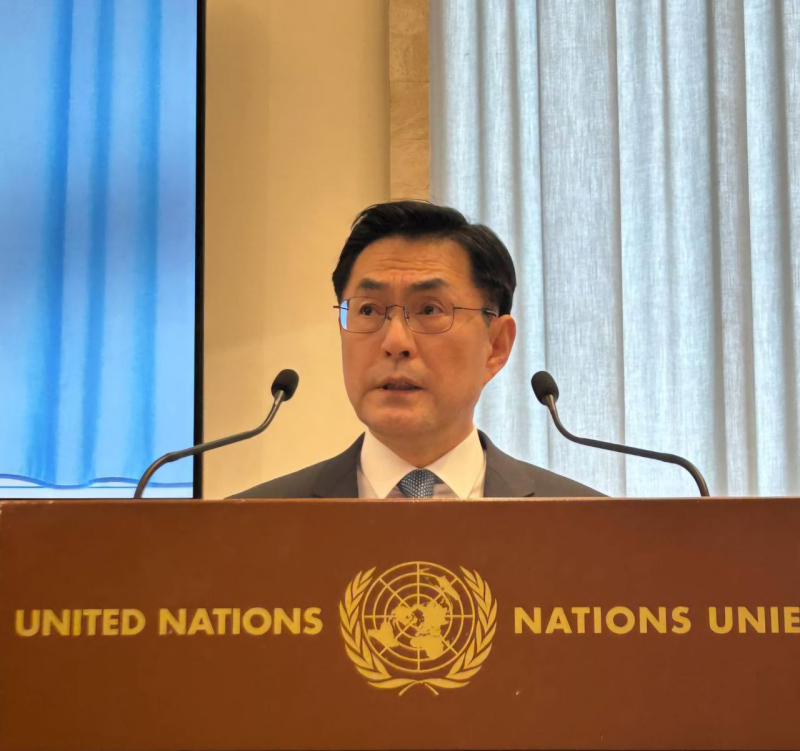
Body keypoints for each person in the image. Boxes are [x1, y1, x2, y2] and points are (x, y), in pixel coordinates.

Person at [235, 201, 601, 499]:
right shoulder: (247, 528)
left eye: (429, 310)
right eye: (368, 310)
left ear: (495, 346)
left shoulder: (588, 527)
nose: (395, 342)